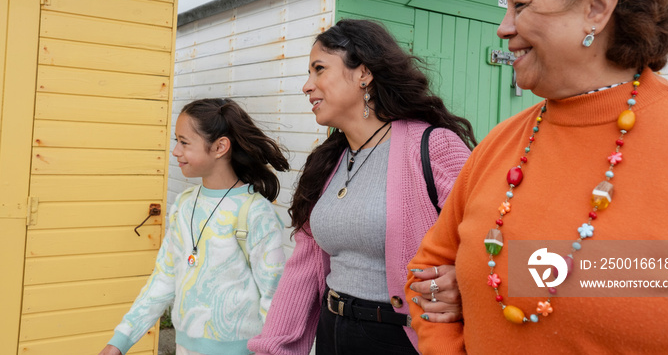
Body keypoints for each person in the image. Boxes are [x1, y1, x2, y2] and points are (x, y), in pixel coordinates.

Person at [406, 0, 668, 354]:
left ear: (596, 9)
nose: (503, 27)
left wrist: (503, 278)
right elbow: (428, 270)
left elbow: (588, 272)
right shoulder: (500, 144)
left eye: (520, 5)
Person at [248, 19, 477, 354]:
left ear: (363, 74)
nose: (307, 86)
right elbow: (305, 267)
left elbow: (494, 239)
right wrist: (273, 348)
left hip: (403, 339)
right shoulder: (328, 162)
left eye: (319, 69)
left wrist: (464, 281)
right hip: (333, 333)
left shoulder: (433, 147)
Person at [99, 98, 289, 355]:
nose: (176, 151)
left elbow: (274, 297)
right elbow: (163, 278)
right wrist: (120, 341)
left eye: (184, 142)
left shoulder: (256, 212)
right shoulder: (184, 205)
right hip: (185, 348)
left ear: (220, 146)